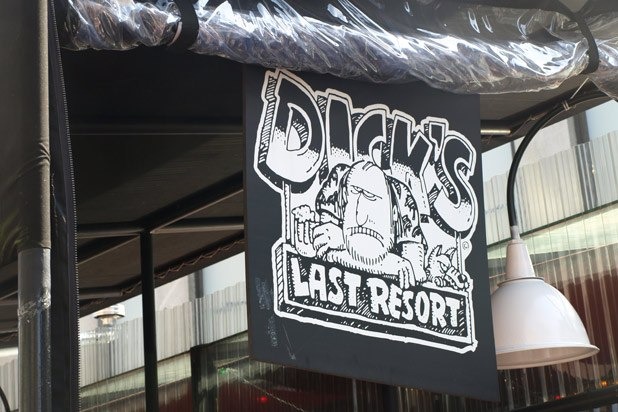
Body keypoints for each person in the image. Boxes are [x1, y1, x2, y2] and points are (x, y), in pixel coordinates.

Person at [312, 160, 427, 289]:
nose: (361, 218)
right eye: (356, 194)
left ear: (394, 212)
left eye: (371, 198)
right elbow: (325, 254)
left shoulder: (402, 197)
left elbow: (413, 274)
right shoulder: (339, 181)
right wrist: (391, 265)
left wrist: (345, 247)